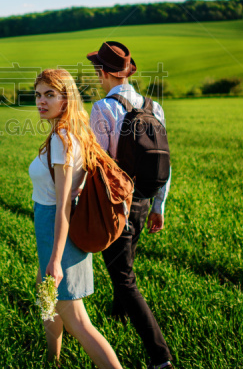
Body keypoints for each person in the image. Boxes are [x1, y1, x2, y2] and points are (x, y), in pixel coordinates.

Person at [87, 42, 174, 369]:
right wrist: (158, 205)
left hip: (116, 203)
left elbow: (99, 166)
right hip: (144, 200)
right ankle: (118, 314)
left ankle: (160, 358)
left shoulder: (102, 109)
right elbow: (165, 158)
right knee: (123, 264)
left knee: (123, 276)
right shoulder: (154, 107)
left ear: (103, 72)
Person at [30, 68, 123, 369]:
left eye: (49, 95)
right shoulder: (74, 131)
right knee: (46, 297)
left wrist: (55, 259)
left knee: (78, 321)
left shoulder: (62, 138)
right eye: (38, 95)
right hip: (55, 230)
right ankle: (51, 359)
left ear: (66, 98)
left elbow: (62, 205)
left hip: (58, 230)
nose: (41, 102)